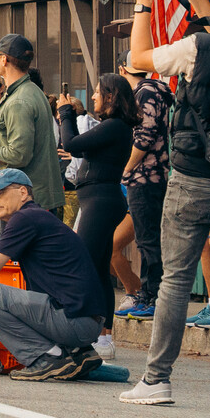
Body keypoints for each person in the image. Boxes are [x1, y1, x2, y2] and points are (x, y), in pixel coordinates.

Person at [121, 0, 210, 405]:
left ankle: (157, 379)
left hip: (197, 176)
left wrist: (144, 0)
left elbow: (138, 61)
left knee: (176, 280)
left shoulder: (199, 48)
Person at [0, 169, 113, 380]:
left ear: (23, 192)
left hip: (74, 322)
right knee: (6, 296)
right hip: (86, 322)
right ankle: (77, 353)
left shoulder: (25, 217)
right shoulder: (37, 216)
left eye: (0, 192)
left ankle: (46, 358)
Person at [56, 75, 136, 316]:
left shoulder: (115, 126)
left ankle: (87, 326)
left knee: (85, 263)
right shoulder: (112, 126)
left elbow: (70, 144)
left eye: (97, 92)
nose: (92, 97)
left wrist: (65, 113)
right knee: (99, 268)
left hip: (101, 201)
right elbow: (78, 147)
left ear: (110, 97)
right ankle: (104, 334)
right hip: (98, 199)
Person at [0, 34, 62, 216]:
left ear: (4, 59)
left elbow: (19, 156)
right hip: (29, 199)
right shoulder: (30, 92)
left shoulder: (19, 101)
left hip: (24, 202)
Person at [120, 64, 170, 321]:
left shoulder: (145, 93)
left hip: (145, 178)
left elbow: (144, 137)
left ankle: (152, 297)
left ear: (122, 69)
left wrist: (127, 168)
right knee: (147, 238)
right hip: (151, 177)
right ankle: (149, 295)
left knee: (148, 239)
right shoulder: (153, 90)